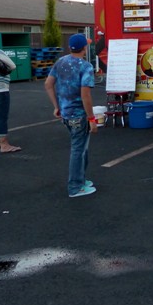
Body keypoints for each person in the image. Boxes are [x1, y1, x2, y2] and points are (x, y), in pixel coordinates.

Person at [44, 34, 99, 198]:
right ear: (84, 48)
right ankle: (75, 187)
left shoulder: (61, 62)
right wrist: (92, 118)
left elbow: (48, 84)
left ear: (70, 47)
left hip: (66, 114)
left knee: (82, 147)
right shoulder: (86, 67)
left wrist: (56, 106)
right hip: (79, 115)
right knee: (78, 149)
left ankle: (80, 180)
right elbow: (85, 96)